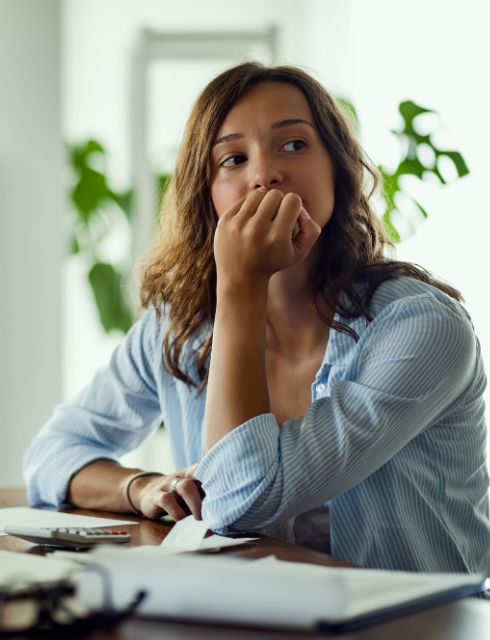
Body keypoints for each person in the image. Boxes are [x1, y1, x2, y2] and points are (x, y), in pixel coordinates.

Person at [24, 62, 490, 576]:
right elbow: (51, 455)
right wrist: (140, 488)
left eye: (293, 145)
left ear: (339, 168)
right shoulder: (177, 326)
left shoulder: (422, 330)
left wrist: (241, 288)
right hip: (249, 615)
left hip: (415, 626)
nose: (264, 174)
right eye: (233, 158)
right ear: (209, 195)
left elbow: (241, 502)